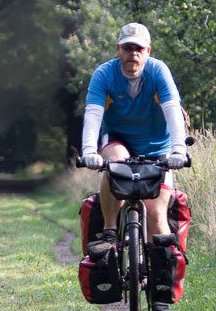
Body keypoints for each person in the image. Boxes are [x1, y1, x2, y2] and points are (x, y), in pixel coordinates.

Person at [79, 22, 190, 257]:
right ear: (118, 49)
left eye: (139, 49)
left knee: (156, 214)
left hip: (158, 148)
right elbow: (93, 114)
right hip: (118, 140)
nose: (133, 54)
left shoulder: (158, 72)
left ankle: (158, 278)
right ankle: (109, 230)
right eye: (128, 48)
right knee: (116, 162)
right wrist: (89, 150)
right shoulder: (104, 74)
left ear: (148, 51)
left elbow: (173, 111)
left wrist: (179, 151)